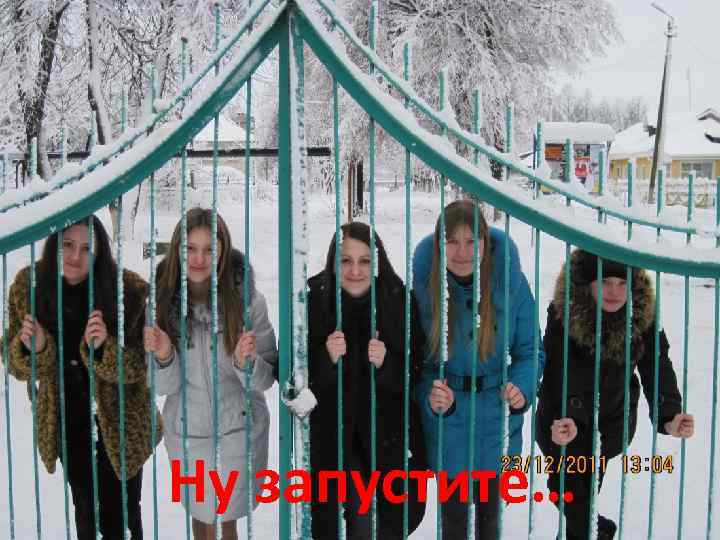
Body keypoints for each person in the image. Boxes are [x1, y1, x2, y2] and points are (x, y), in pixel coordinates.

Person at [4, 215, 159, 539]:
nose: (76, 256)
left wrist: (103, 349)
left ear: (100, 253)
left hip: (122, 423)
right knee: (86, 511)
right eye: (68, 244)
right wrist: (34, 349)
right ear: (54, 244)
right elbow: (13, 362)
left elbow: (142, 367)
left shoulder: (127, 292)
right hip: (68, 421)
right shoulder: (29, 288)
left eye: (87, 248)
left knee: (122, 516)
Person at [536, 249, 694, 540]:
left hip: (608, 421)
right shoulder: (564, 311)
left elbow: (657, 365)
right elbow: (559, 367)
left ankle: (592, 532)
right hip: (561, 420)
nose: (614, 291)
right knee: (565, 492)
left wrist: (670, 414)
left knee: (579, 494)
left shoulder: (642, 317)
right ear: (589, 282)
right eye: (605, 282)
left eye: (622, 284)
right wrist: (568, 416)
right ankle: (599, 532)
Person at [144, 208, 277, 540]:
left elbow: (266, 378)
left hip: (239, 427)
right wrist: (164, 355)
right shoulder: (160, 304)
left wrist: (246, 363)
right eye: (190, 248)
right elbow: (162, 386)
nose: (199, 259)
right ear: (177, 250)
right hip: (188, 430)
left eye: (209, 250)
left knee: (224, 521)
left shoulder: (248, 302)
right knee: (201, 517)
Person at [413, 199, 543, 539]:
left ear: (485, 242)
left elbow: (530, 351)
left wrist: (522, 387)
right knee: (453, 522)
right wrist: (432, 397)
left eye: (472, 241)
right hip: (448, 424)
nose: (462, 252)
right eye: (452, 241)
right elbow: (416, 364)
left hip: (498, 420)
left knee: (491, 521)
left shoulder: (511, 284)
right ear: (439, 245)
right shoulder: (424, 289)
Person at [308, 222, 428, 539]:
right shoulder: (314, 301)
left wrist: (387, 364)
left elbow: (418, 369)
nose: (355, 270)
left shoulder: (399, 301)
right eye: (346, 261)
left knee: (391, 525)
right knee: (356, 519)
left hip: (388, 435)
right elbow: (289, 373)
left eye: (364, 261)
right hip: (336, 436)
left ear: (378, 262)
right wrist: (326, 359)